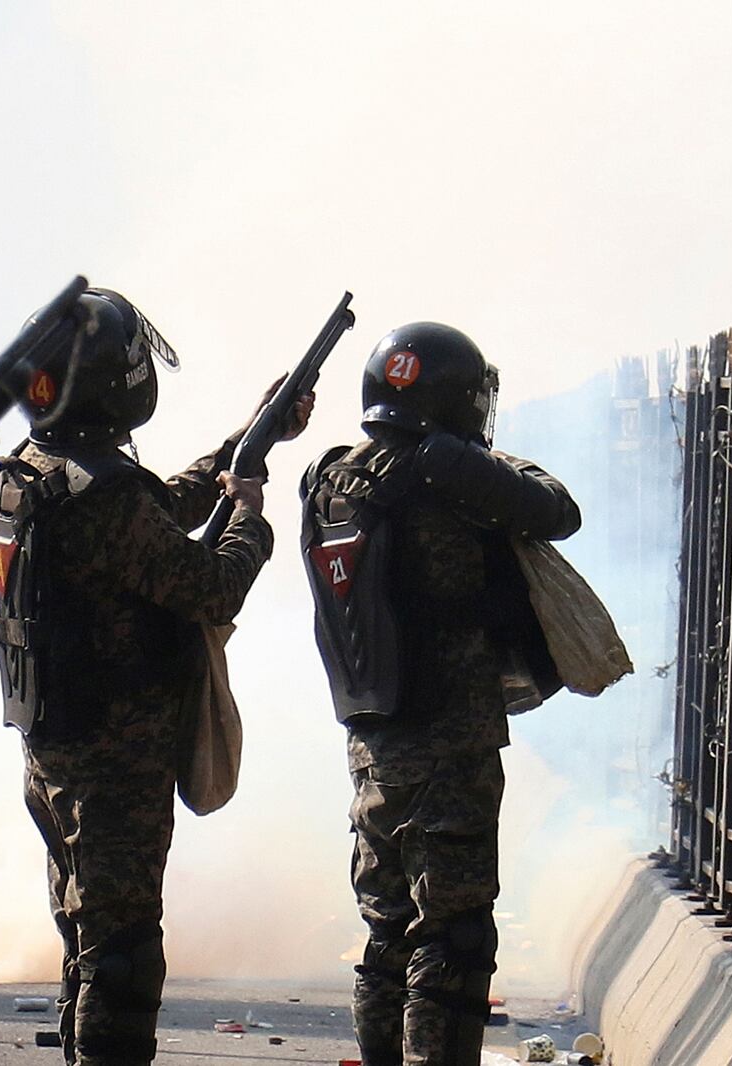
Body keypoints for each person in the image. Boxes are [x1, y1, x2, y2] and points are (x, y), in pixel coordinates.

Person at [0, 289, 312, 1066]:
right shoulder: (104, 492)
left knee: (89, 939)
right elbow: (211, 584)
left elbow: (155, 511)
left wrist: (249, 439)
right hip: (112, 760)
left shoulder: (36, 473)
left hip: (56, 749)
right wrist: (250, 514)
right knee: (123, 955)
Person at [299, 322, 580, 1066]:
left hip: (373, 741)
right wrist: (466, 459)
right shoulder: (446, 484)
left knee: (388, 930)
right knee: (452, 940)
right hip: (450, 743)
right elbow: (556, 509)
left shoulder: (332, 476)